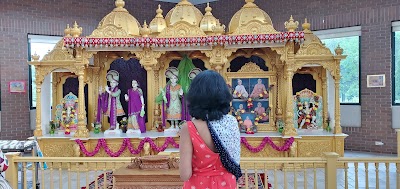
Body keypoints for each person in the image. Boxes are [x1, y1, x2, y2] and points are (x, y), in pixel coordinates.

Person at [180, 70, 242, 189]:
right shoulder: (231, 122)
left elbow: (184, 174)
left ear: (195, 96)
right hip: (227, 183)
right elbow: (235, 160)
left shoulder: (189, 128)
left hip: (199, 184)